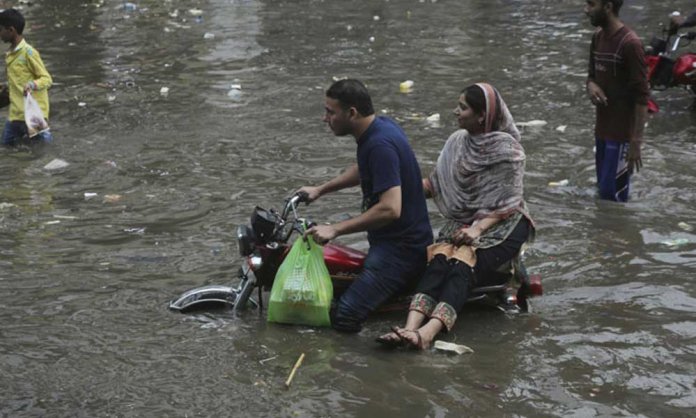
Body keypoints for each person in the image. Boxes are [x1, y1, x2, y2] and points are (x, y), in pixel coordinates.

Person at [376, 83, 534, 350]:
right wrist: (396, 190)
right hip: (466, 219)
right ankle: (409, 327)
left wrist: (477, 230)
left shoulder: (510, 152)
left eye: (462, 107)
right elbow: (436, 184)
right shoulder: (457, 142)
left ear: (481, 115)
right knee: (439, 258)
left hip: (503, 223)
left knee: (462, 263)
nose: (455, 112)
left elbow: (507, 202)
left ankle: (427, 335)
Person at [300, 79, 433, 333]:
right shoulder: (378, 129)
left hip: (401, 252)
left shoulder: (379, 144)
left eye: (330, 111)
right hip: (392, 244)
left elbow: (390, 208)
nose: (324, 118)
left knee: (345, 315)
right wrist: (320, 190)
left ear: (351, 113)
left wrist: (335, 229)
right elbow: (364, 169)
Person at [585, 0, 648, 202]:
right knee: (602, 193)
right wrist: (591, 86)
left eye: (591, 5)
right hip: (602, 131)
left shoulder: (630, 44)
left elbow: (642, 97)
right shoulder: (597, 38)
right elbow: (591, 76)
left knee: (614, 199)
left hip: (621, 137)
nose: (586, 10)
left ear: (608, 7)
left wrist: (636, 142)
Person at [0, 8, 53, 146]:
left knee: (43, 148)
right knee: (6, 145)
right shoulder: (10, 54)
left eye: (1, 30)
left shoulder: (29, 53)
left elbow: (46, 79)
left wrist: (32, 85)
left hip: (33, 114)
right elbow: (17, 80)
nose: (0, 34)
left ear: (11, 30)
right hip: (16, 114)